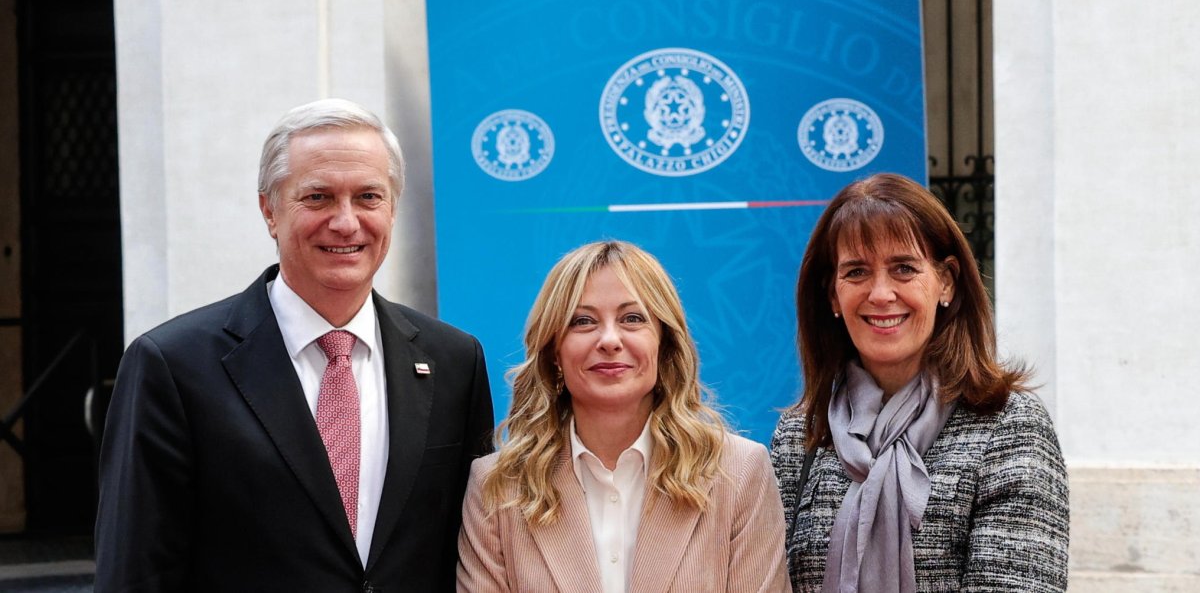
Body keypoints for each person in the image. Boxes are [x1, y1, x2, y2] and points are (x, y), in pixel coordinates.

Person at [95, 98, 494, 592]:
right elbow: (135, 570)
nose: (346, 222)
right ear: (270, 210)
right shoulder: (172, 366)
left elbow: (474, 551)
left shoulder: (454, 361)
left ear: (392, 208)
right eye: (318, 197)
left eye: (368, 197)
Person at [771, 173, 1069, 592]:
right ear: (833, 295)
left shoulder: (1009, 425)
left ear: (946, 282)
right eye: (856, 271)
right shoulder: (800, 434)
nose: (880, 294)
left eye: (904, 269)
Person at [457, 240, 790, 592]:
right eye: (583, 321)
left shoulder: (739, 473)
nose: (610, 340)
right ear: (554, 351)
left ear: (664, 343)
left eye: (632, 319)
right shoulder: (497, 486)